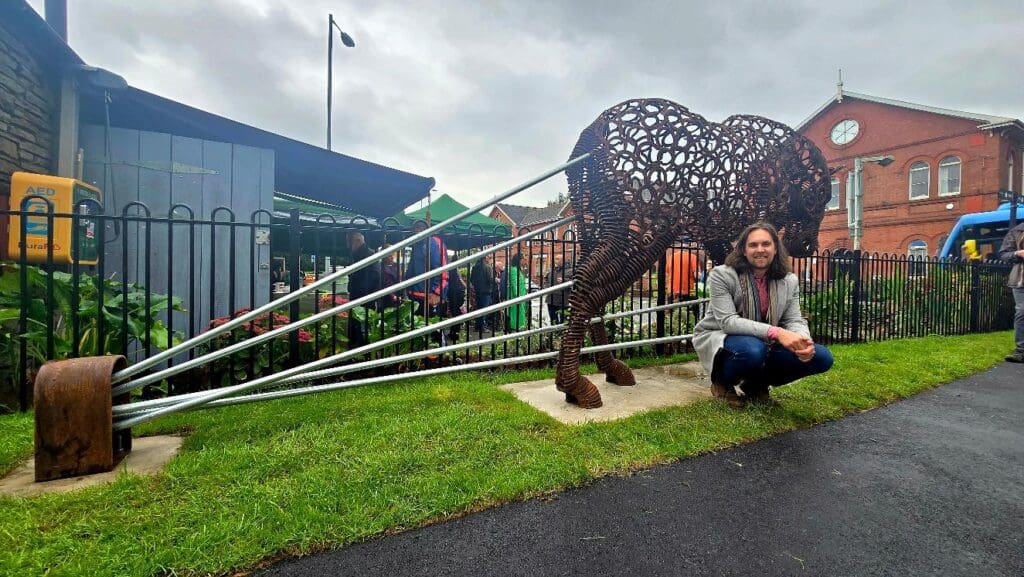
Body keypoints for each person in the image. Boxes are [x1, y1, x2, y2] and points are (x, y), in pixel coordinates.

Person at [693, 222, 834, 408]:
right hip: (724, 336)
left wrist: (802, 341)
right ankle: (722, 382)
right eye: (753, 245)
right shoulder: (723, 275)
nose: (760, 250)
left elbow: (793, 319)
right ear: (743, 250)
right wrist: (777, 333)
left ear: (776, 248)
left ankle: (755, 384)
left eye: (766, 244)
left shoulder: (788, 281)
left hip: (764, 341)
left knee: (822, 357)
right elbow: (728, 322)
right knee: (751, 350)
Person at [404, 222, 449, 345]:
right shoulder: (416, 245)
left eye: (420, 228)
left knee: (434, 333)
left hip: (429, 298)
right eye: (415, 228)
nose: (417, 231)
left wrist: (437, 293)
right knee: (418, 333)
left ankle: (438, 358)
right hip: (415, 296)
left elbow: (442, 270)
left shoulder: (434, 242)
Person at [346, 231, 381, 349]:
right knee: (359, 327)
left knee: (362, 329)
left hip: (364, 299)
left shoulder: (368, 255)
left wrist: (359, 291)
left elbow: (374, 277)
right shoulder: (360, 254)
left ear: (356, 242)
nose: (348, 246)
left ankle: (361, 350)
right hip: (361, 297)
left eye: (349, 242)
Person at [998, 220, 1024, 363]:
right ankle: (1021, 351)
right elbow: (1003, 255)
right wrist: (1018, 253)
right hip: (1021, 280)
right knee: (1022, 312)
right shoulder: (1017, 231)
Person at [469, 253, 496, 331]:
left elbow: (471, 279)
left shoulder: (475, 267)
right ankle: (481, 327)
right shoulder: (488, 267)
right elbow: (490, 279)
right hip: (486, 291)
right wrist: (496, 280)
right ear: (485, 258)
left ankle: (477, 326)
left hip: (477, 291)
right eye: (488, 256)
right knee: (484, 309)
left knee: (478, 308)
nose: (489, 258)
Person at [547, 257, 574, 325]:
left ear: (563, 260)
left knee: (564, 321)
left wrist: (564, 280)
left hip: (563, 300)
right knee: (553, 320)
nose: (555, 260)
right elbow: (546, 280)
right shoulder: (552, 270)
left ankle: (562, 333)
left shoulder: (570, 270)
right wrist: (546, 286)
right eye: (555, 258)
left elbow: (574, 282)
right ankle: (555, 333)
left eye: (558, 259)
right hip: (551, 299)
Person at [506, 252, 529, 331]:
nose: (524, 261)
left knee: (520, 312)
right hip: (517, 296)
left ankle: (519, 327)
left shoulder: (518, 269)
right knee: (516, 313)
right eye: (523, 259)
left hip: (521, 295)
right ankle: (516, 327)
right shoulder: (514, 270)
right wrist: (518, 295)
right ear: (519, 260)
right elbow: (514, 283)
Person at [379, 243, 402, 308]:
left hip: (398, 295)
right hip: (386, 298)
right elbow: (383, 284)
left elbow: (401, 279)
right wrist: (392, 296)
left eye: (393, 254)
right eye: (389, 255)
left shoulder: (396, 265)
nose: (392, 257)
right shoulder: (381, 267)